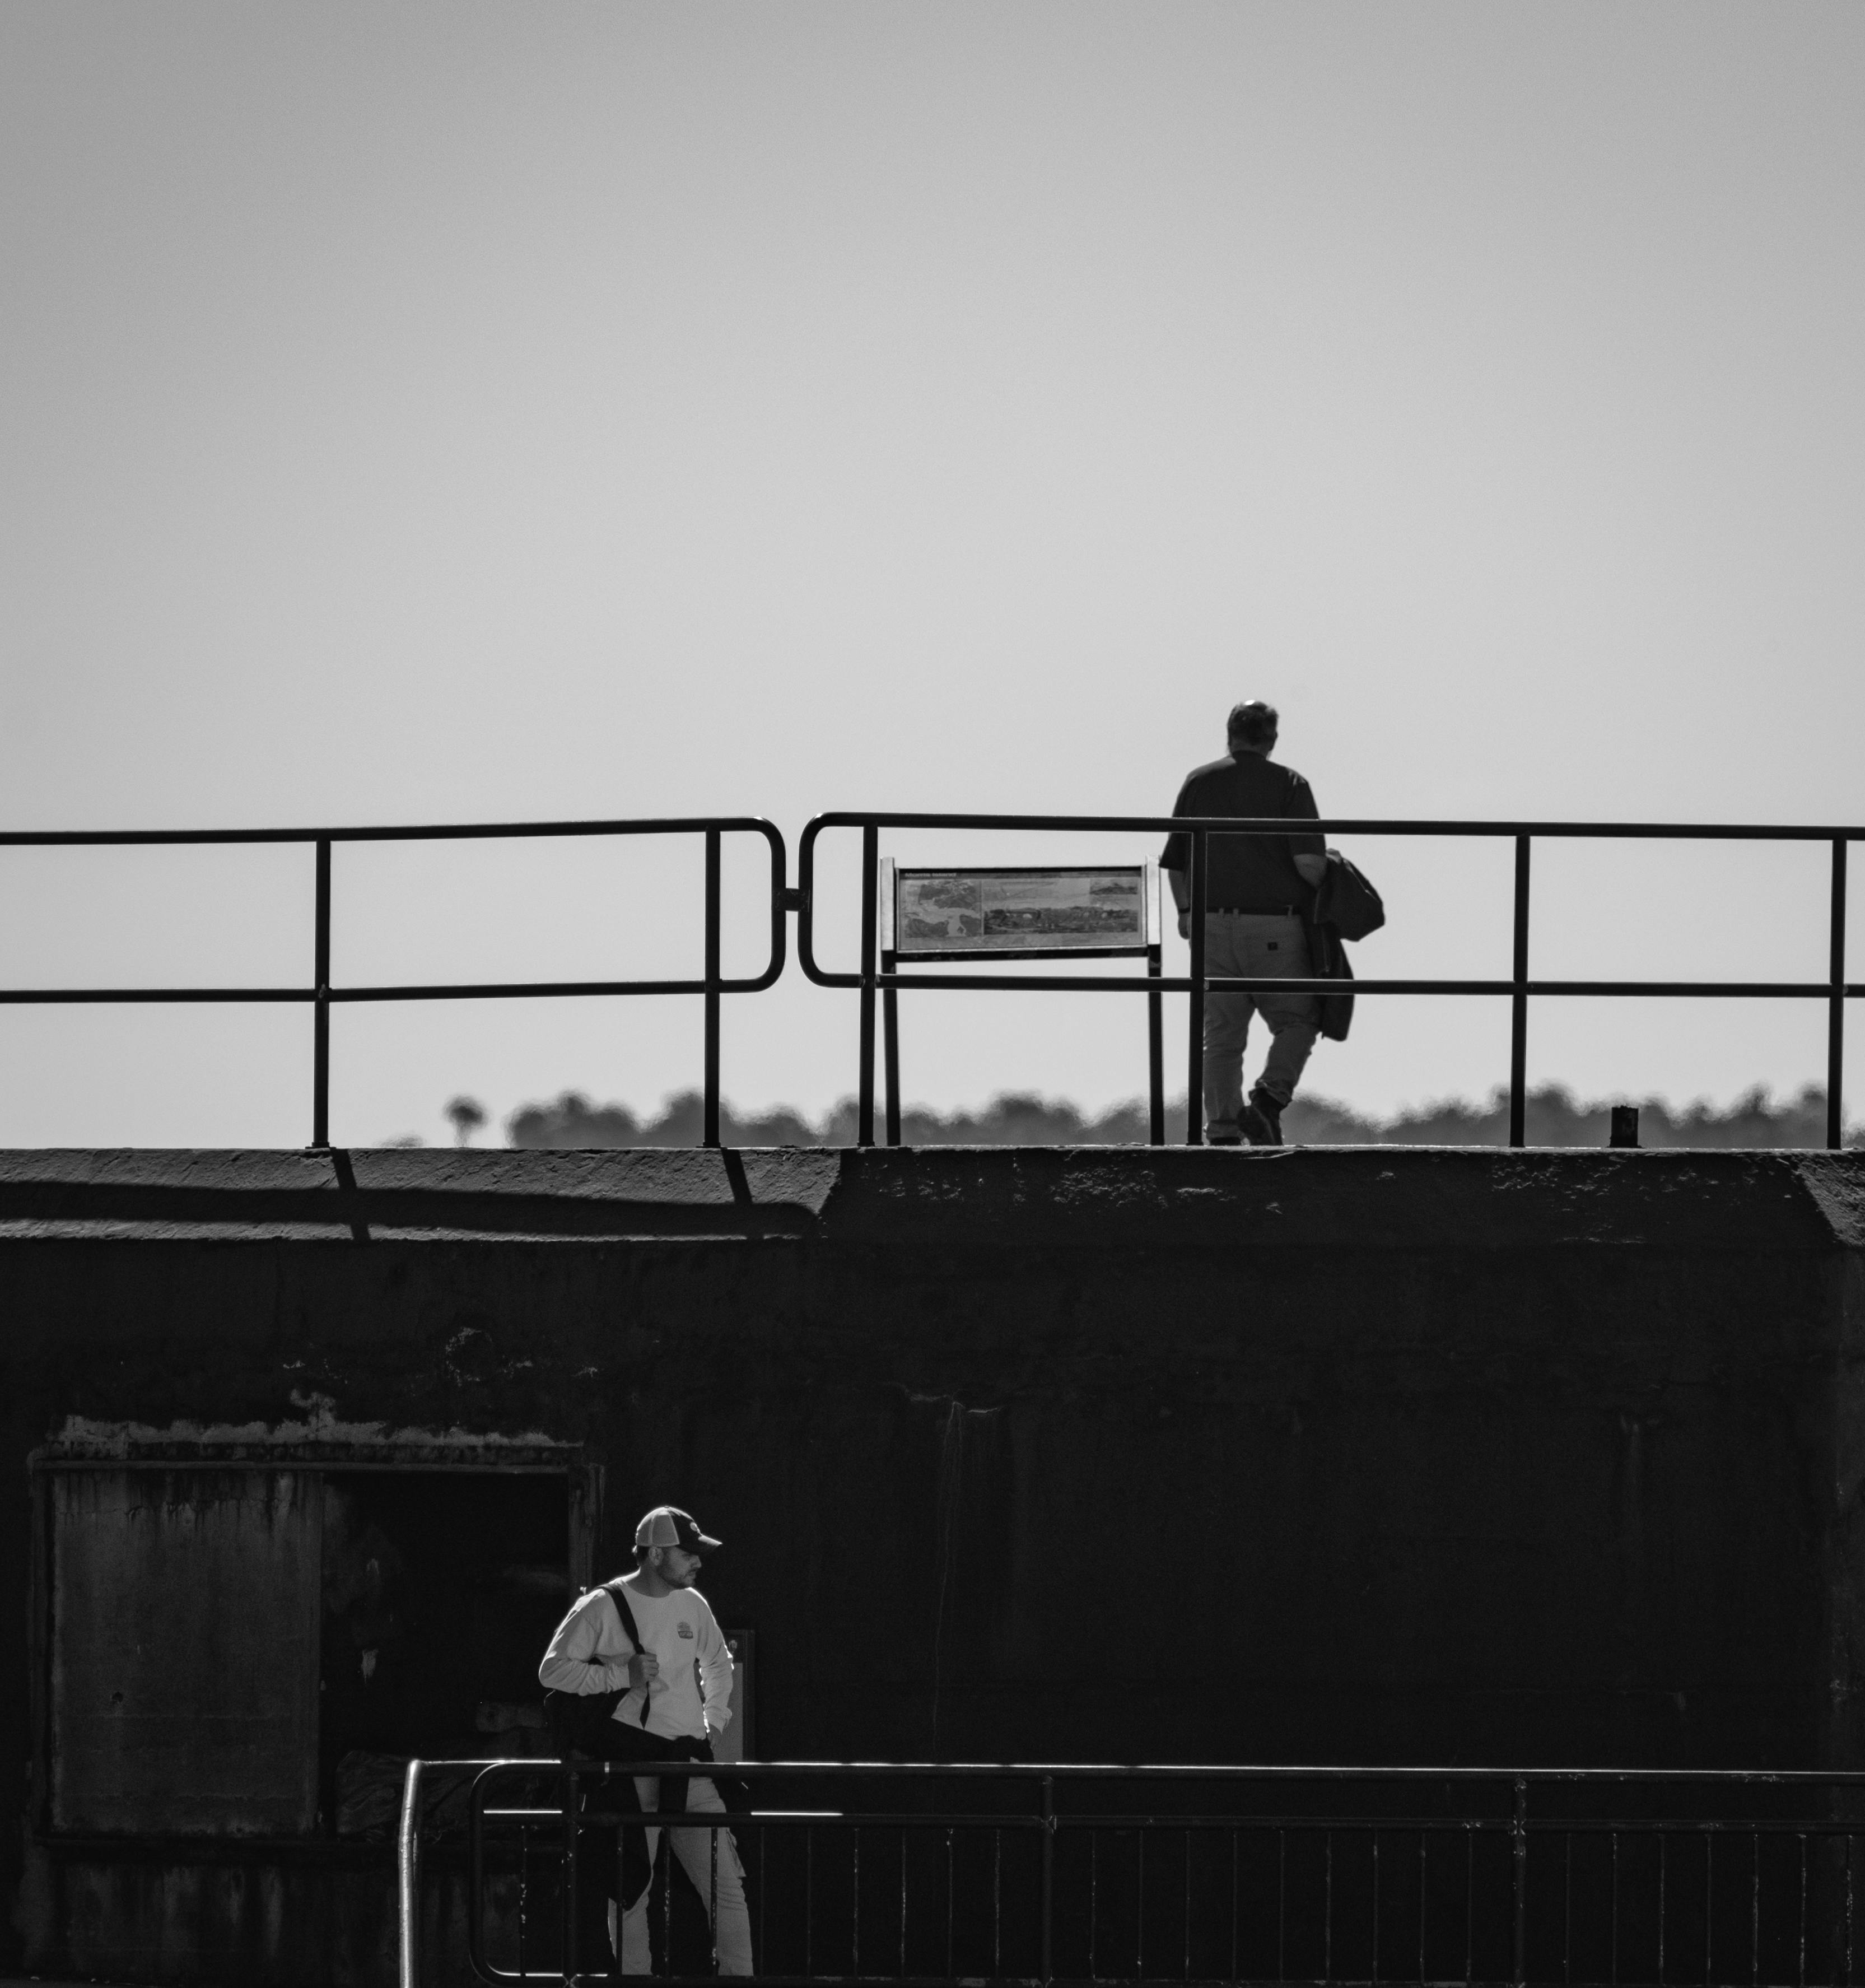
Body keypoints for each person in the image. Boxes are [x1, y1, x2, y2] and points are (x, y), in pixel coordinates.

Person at [538, 1506, 752, 1977]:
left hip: (690, 1766)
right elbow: (551, 1670)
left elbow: (718, 1662)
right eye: (688, 1552)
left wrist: (713, 1722)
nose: (697, 1562)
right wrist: (621, 1674)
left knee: (726, 1889)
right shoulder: (601, 1604)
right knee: (631, 1891)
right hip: (632, 1768)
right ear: (655, 1554)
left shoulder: (693, 1603)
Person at [1162, 700, 1328, 1146]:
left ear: (1229, 733)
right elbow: (1310, 864)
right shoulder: (1291, 784)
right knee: (1298, 1020)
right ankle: (1268, 1100)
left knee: (1221, 1035)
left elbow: (1175, 862)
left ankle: (1221, 1132)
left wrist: (1185, 913)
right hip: (1274, 928)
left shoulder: (1198, 781)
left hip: (1210, 925)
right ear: (1271, 739)